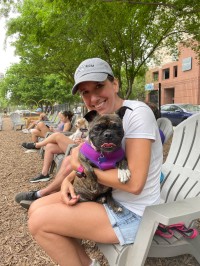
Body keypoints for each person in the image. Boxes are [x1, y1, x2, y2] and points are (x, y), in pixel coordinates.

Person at [27, 58, 163, 266]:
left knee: (39, 222)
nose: (93, 97)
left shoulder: (136, 114)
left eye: (99, 86)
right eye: (85, 92)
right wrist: (68, 180)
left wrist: (80, 168)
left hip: (136, 214)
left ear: (115, 84)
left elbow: (135, 184)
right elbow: (91, 159)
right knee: (35, 209)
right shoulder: (99, 120)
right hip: (108, 197)